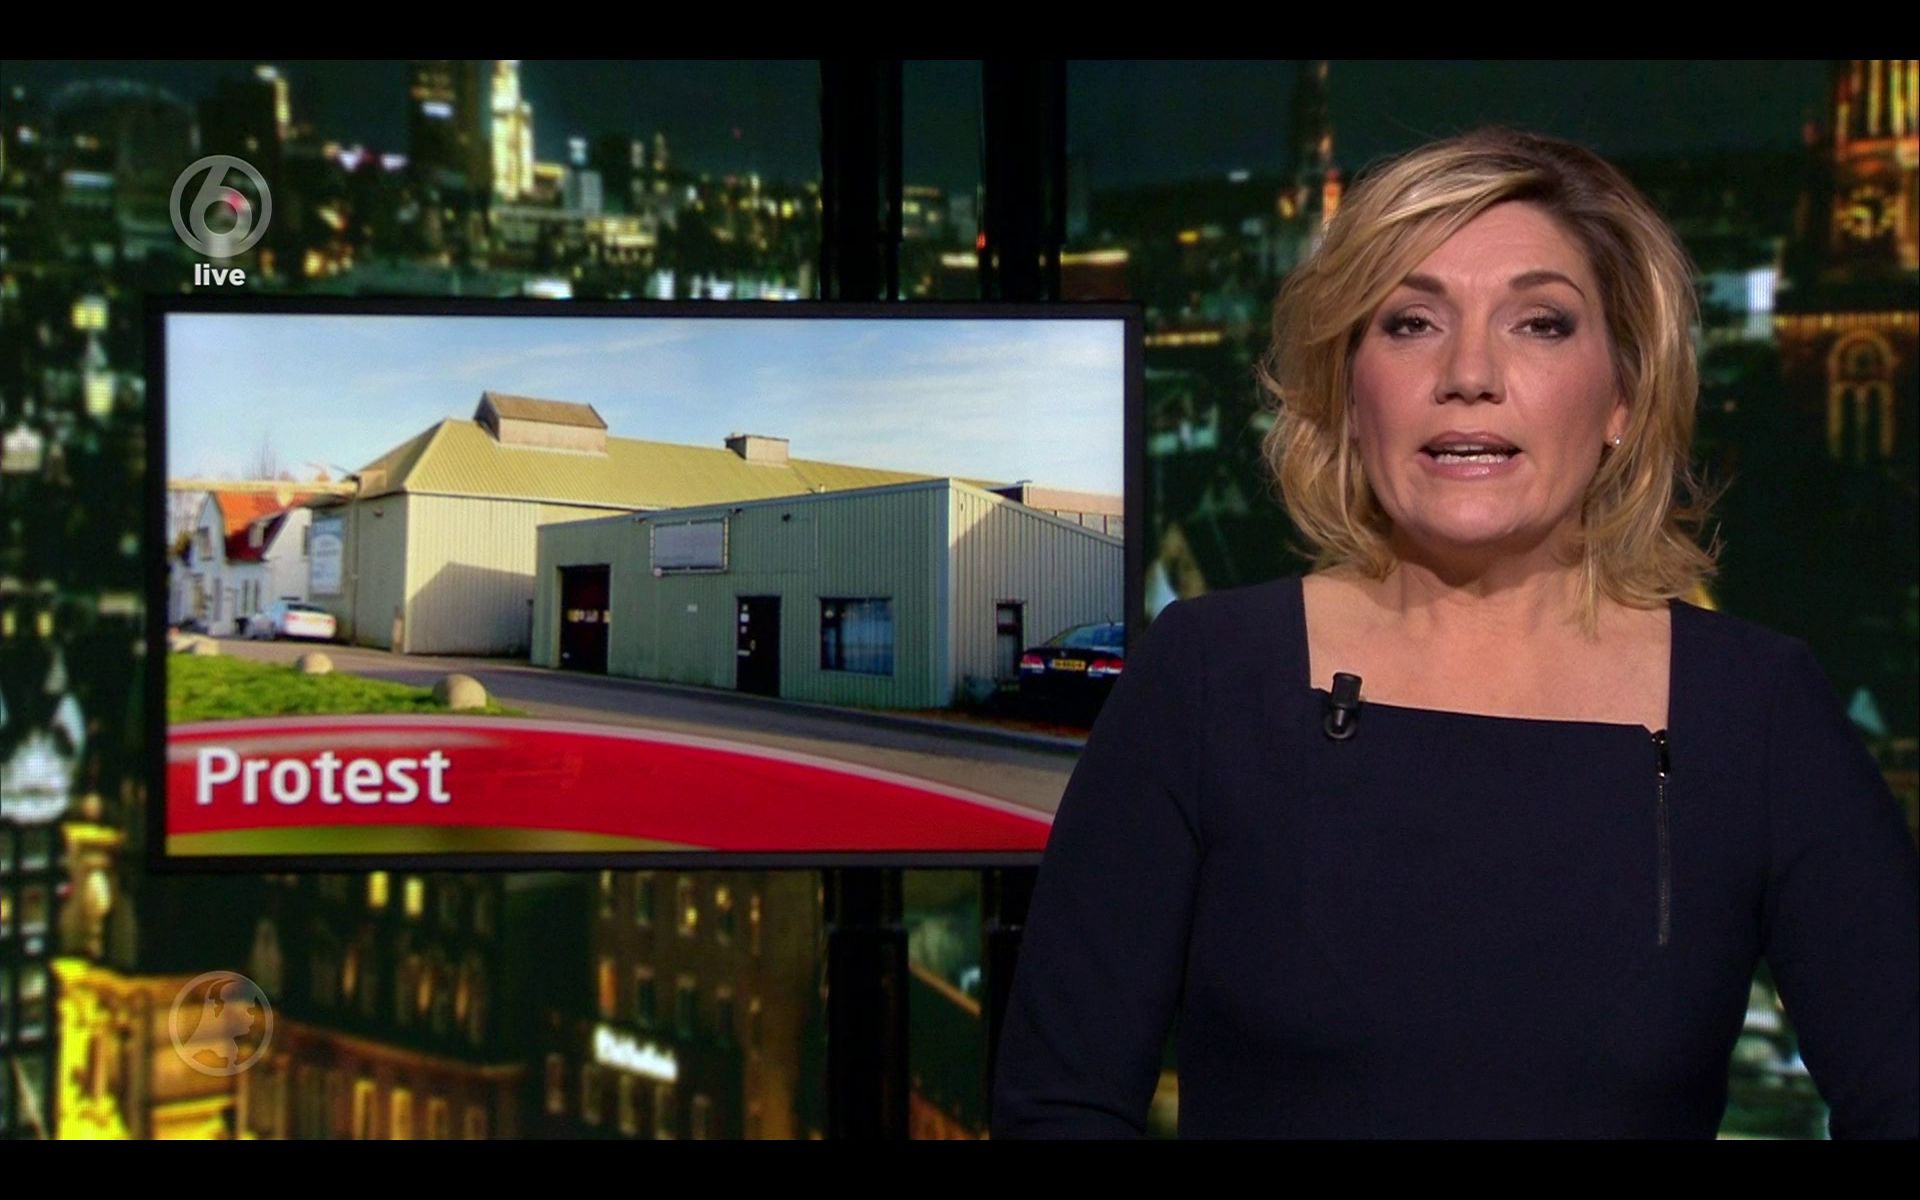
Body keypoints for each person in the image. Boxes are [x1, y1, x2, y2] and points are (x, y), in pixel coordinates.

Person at [989, 127, 1919, 1139]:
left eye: (1541, 324)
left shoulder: (1755, 709)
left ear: (1623, 393)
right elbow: (1060, 1104)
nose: (1469, 372)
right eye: (1412, 322)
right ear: (1349, 389)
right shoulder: (1207, 676)